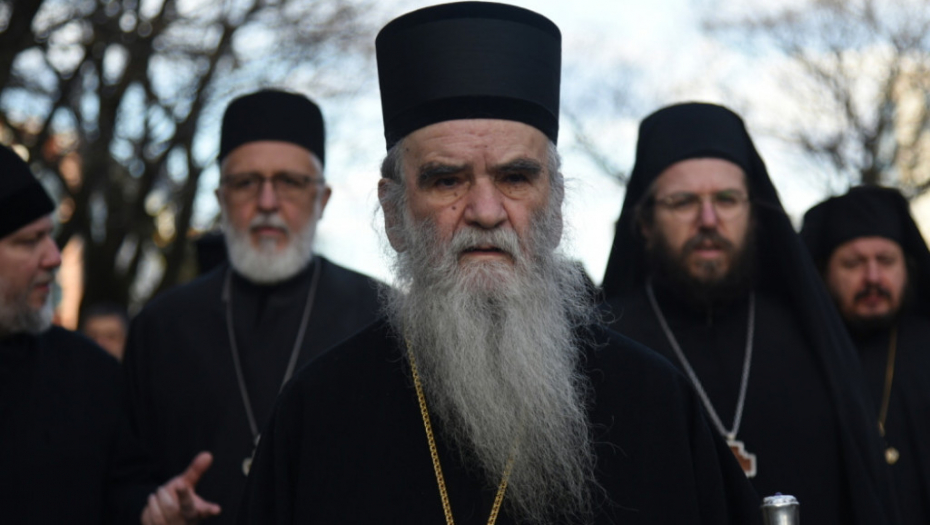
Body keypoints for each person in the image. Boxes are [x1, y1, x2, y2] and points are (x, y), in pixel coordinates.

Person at [236, 4, 761, 524]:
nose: (486, 212)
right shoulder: (316, 413)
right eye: (447, 180)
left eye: (515, 179)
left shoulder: (655, 404)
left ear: (555, 207)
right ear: (394, 214)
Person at [600, 102, 899, 524]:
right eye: (683, 202)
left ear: (753, 215)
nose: (708, 220)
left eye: (727, 199)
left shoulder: (808, 334)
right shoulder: (608, 342)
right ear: (646, 223)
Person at [123, 89, 382, 525]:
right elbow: (121, 477)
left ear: (322, 199)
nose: (266, 203)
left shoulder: (382, 316)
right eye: (246, 183)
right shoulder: (160, 326)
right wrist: (152, 508)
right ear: (221, 199)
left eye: (289, 182)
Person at [0, 144, 218, 524]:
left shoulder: (90, 373)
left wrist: (151, 511)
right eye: (28, 241)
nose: (54, 257)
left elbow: (124, 488)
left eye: (50, 235)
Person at [801, 185, 930, 524]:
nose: (873, 277)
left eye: (886, 261)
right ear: (825, 272)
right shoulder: (799, 354)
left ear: (907, 266)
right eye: (853, 263)